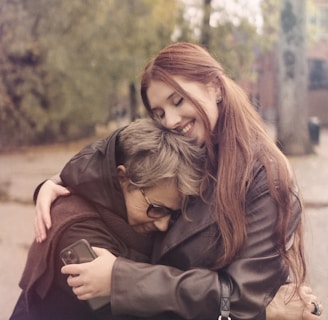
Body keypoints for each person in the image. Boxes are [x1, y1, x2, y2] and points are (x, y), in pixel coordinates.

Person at [33, 42, 323, 320]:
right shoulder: (184, 148)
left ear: (215, 87)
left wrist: (121, 279)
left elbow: (242, 297)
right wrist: (56, 182)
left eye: (178, 100)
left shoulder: (264, 179)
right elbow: (108, 156)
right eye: (158, 113)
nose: (170, 120)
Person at [10, 118, 206, 320]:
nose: (164, 225)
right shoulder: (77, 233)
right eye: (156, 209)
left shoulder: (121, 211)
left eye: (172, 214)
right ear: (122, 177)